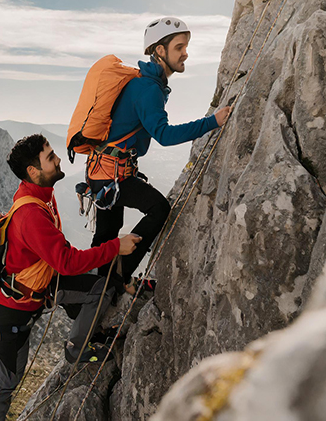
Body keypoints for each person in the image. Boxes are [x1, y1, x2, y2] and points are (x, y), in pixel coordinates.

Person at [0, 134, 140, 421]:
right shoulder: (31, 213)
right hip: (13, 313)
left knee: (100, 286)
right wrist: (116, 246)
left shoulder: (40, 196)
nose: (57, 160)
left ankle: (77, 347)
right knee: (6, 383)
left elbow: (60, 256)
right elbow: (66, 262)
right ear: (34, 172)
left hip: (39, 290)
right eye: (50, 157)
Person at [90, 17, 231, 293]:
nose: (185, 53)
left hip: (104, 173)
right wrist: (212, 122)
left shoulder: (147, 84)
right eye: (179, 47)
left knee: (106, 236)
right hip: (111, 176)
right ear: (159, 50)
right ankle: (114, 284)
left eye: (186, 46)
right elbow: (164, 135)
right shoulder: (147, 89)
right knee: (158, 208)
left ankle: (99, 293)